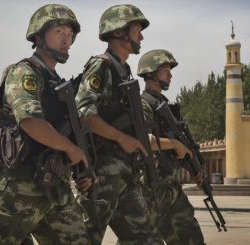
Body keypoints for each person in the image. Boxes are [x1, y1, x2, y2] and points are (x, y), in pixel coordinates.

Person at [0, 4, 92, 244]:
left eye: (70, 35)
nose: (66, 40)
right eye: (59, 31)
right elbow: (30, 122)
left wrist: (81, 167)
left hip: (56, 188)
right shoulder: (25, 72)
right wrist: (71, 150)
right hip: (21, 186)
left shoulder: (57, 84)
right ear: (39, 35)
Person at [75, 4, 165, 244]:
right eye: (137, 29)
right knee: (85, 238)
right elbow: (83, 111)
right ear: (118, 32)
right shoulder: (102, 65)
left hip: (124, 172)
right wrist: (121, 138)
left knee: (148, 239)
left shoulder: (123, 70)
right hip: (103, 171)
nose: (142, 36)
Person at [137, 49, 207, 245]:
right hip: (151, 189)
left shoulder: (165, 106)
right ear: (151, 72)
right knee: (140, 240)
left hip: (172, 188)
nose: (170, 74)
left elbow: (177, 149)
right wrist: (174, 144)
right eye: (165, 69)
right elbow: (143, 140)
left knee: (191, 238)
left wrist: (193, 166)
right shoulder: (142, 104)